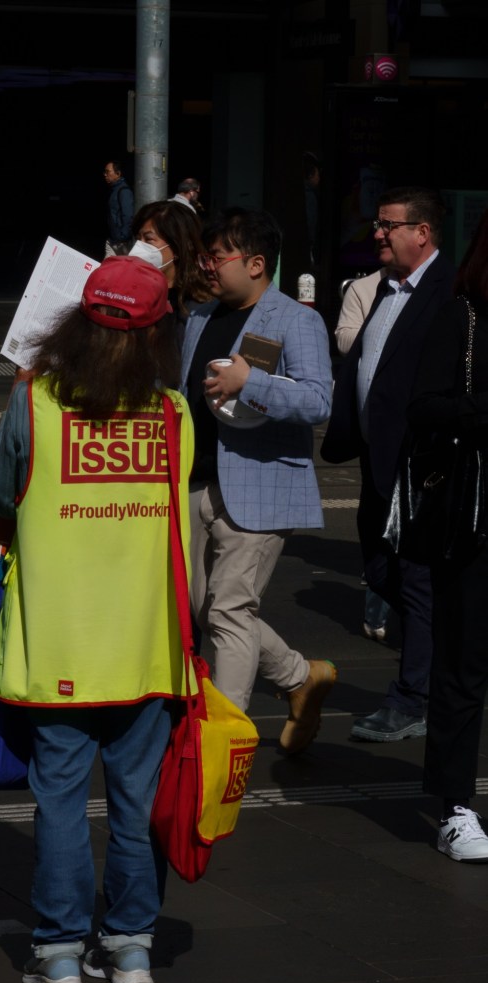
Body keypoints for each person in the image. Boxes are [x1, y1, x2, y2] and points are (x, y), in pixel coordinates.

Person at [0, 256, 194, 983]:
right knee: (136, 805)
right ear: (157, 333)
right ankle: (131, 948)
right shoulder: (173, 414)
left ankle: (60, 953)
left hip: (60, 644)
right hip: (148, 647)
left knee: (62, 803)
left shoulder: (35, 401)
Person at [180, 206, 336, 754]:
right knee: (204, 610)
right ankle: (299, 677)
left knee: (229, 610)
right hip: (196, 482)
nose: (207, 266)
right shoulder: (199, 317)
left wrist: (252, 383)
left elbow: (318, 401)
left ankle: (222, 741)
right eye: (205, 256)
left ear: (255, 263)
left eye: (217, 257)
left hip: (262, 487)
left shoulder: (296, 320)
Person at [321, 186, 455, 741]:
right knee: (379, 572)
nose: (378, 233)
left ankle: (412, 699)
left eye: (388, 224)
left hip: (421, 467)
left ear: (421, 233)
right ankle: (446, 646)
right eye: (378, 223)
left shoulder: (449, 293)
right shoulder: (384, 287)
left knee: (415, 582)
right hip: (377, 461)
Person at [406, 208, 488, 862]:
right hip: (474, 518)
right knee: (464, 661)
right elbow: (422, 405)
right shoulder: (462, 317)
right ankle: (455, 805)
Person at [336, 269, 394, 642]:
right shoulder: (364, 288)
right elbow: (344, 340)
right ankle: (377, 609)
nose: (381, 240)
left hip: (415, 424)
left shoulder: (439, 284)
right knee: (375, 516)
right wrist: (387, 330)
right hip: (373, 423)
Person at [129, 199, 209, 343]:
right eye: (138, 239)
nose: (138, 247)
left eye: (149, 239)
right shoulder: (133, 292)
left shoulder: (196, 307)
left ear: (177, 247)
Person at [103, 161, 134, 257]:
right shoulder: (114, 190)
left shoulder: (124, 191)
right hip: (113, 241)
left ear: (118, 173)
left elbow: (128, 215)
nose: (105, 174)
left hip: (122, 242)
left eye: (108, 172)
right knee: (107, 265)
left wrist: (123, 236)